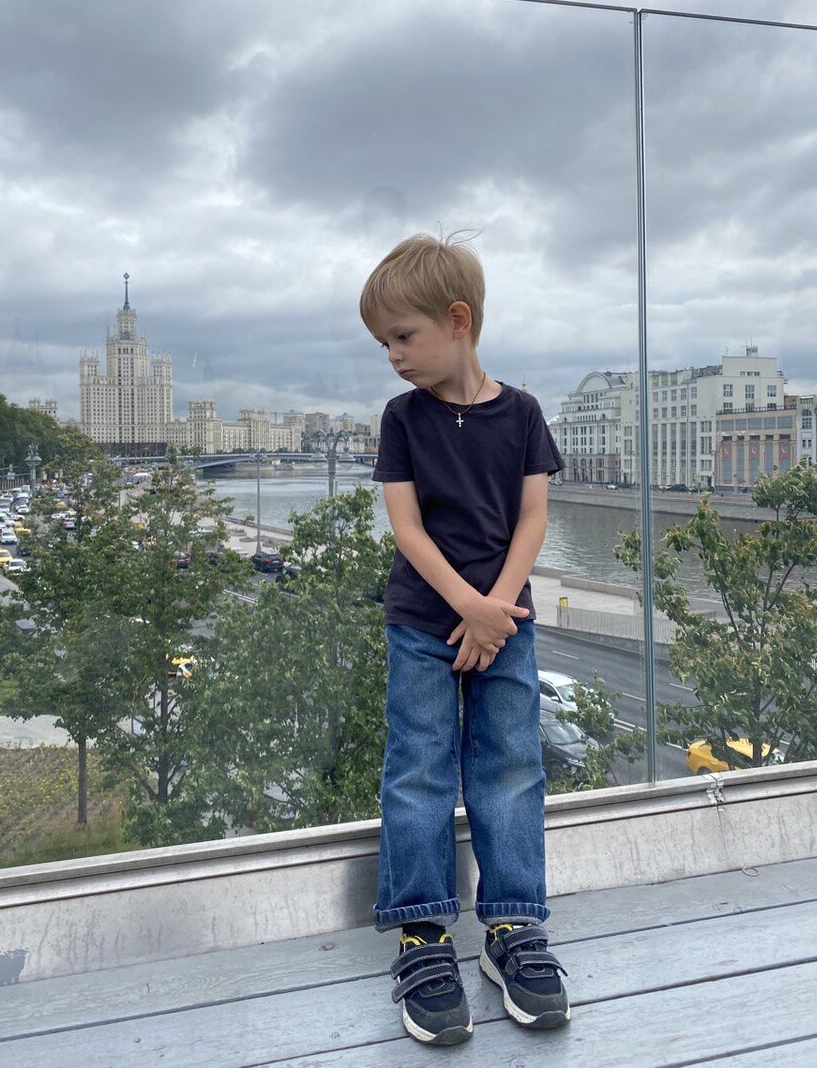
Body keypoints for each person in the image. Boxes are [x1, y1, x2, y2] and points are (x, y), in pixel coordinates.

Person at [359, 232, 571, 1046]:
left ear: (457, 321)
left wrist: (497, 607)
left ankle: (512, 925)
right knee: (418, 768)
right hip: (424, 620)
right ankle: (421, 934)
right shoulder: (402, 419)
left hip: (505, 622)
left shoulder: (522, 413)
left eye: (402, 337)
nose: (392, 356)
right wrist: (470, 607)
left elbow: (533, 518)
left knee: (510, 767)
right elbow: (408, 529)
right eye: (383, 343)